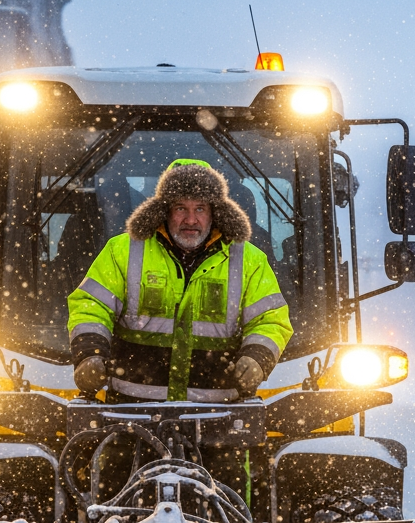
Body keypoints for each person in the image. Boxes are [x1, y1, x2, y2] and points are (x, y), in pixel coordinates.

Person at [67, 159, 293, 500]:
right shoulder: (123, 251)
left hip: (218, 419)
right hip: (129, 416)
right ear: (163, 211)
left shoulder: (248, 260)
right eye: (181, 208)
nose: (191, 219)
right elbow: (90, 305)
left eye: (200, 208)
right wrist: (90, 353)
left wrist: (257, 357)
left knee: (226, 511)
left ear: (215, 211)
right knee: (115, 508)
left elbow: (271, 318)